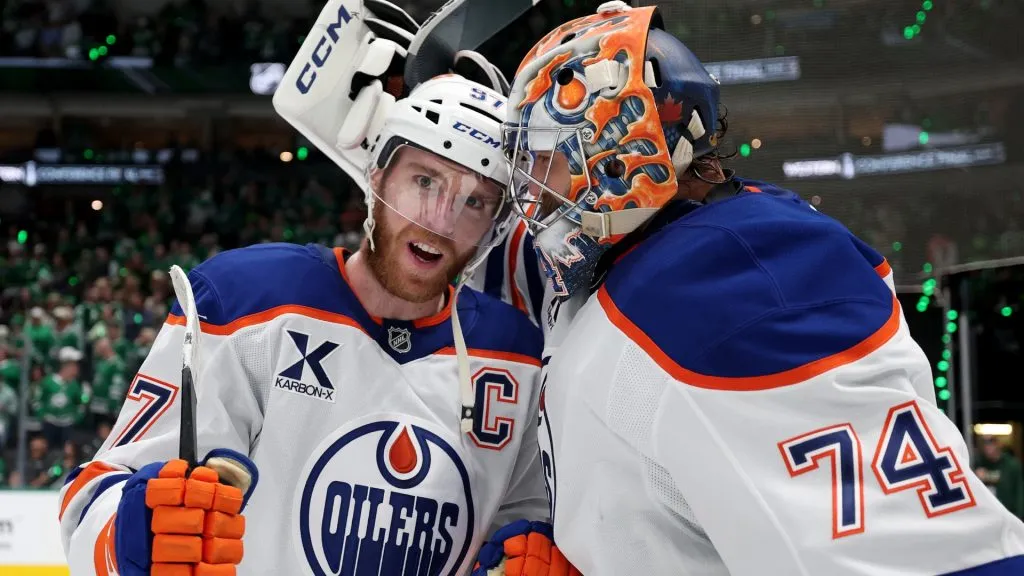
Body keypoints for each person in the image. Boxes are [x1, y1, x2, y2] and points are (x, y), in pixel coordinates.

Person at [477, 2, 1024, 574]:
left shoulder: (731, 279)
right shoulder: (675, 263)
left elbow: (932, 558)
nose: (535, 194)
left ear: (617, 152)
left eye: (545, 162)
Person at [58, 3, 547, 575]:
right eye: (424, 180)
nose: (441, 219)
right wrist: (131, 535)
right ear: (378, 175)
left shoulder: (519, 357)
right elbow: (95, 494)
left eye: (475, 202)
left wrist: (532, 552)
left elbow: (527, 521)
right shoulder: (249, 300)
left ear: (496, 224)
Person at [975, 435, 1024, 520]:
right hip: (988, 514)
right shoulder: (979, 464)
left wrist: (1019, 515)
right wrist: (976, 478)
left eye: (991, 444)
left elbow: (1020, 491)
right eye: (985, 445)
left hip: (1009, 513)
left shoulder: (1012, 465)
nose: (988, 448)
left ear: (998, 445)